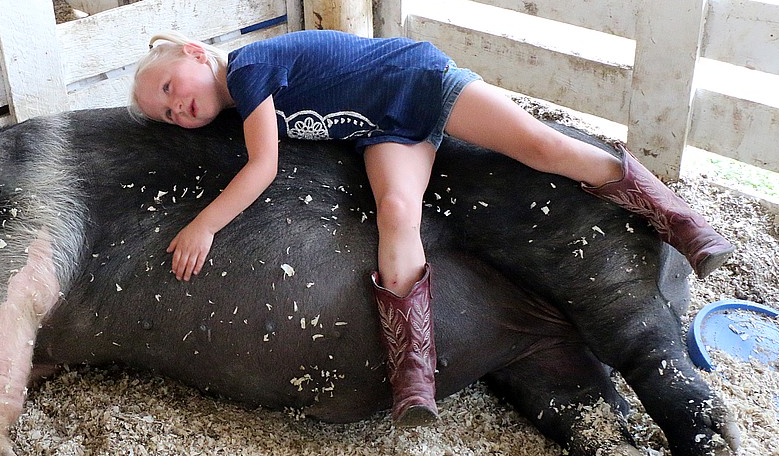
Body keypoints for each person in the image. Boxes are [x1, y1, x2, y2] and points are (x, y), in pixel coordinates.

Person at [131, 29, 733, 427]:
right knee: (397, 211)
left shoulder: (248, 69)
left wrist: (205, 226)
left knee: (539, 144)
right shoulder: (234, 105)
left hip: (417, 83)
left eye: (167, 88)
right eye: (163, 113)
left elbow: (264, 166)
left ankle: (679, 221)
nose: (174, 108)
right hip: (385, 130)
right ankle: (414, 372)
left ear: (194, 51)